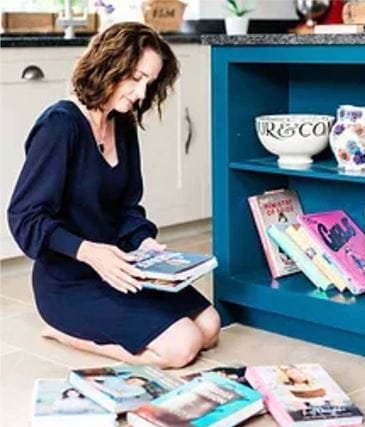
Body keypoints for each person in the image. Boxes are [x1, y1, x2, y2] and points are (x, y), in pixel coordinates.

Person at [6, 22, 220, 369]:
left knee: (210, 326)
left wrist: (144, 242)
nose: (140, 92)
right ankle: (64, 333)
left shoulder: (122, 123)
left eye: (149, 82)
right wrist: (90, 253)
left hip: (121, 268)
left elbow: (127, 205)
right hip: (70, 280)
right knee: (182, 347)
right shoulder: (60, 126)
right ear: (109, 66)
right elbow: (25, 218)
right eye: (135, 78)